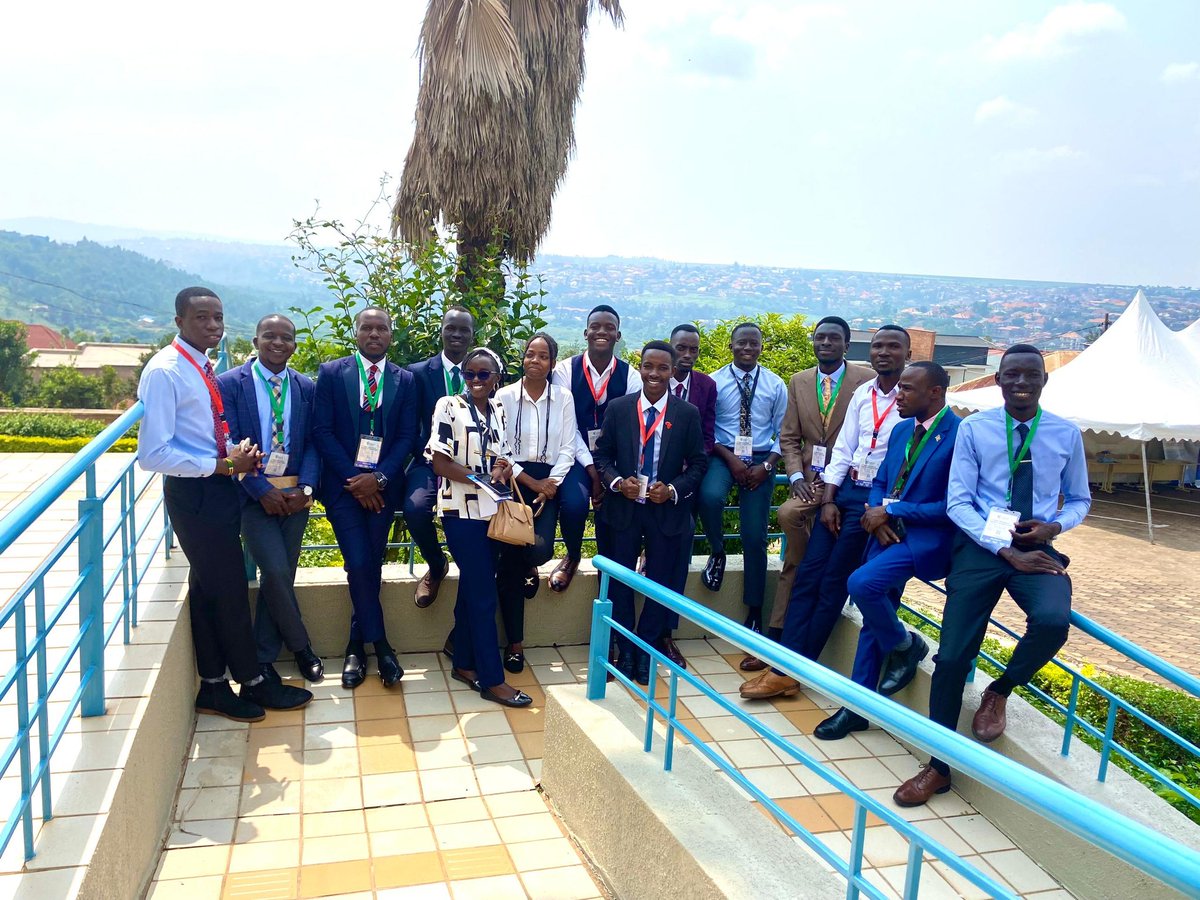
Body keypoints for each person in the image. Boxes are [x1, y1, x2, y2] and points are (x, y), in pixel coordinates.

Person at [893, 344, 1091, 807]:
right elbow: (959, 502)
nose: (1021, 383)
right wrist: (1003, 550)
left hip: (1035, 544)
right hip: (982, 545)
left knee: (1052, 622)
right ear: (999, 381)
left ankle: (999, 691)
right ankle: (938, 766)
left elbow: (1080, 499)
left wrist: (1054, 526)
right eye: (1012, 376)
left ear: (1044, 381)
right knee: (953, 657)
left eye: (1031, 376)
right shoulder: (975, 429)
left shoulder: (1065, 434)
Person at [138, 287, 311, 721]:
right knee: (231, 589)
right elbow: (152, 454)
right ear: (179, 320)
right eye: (202, 318)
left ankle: (213, 684)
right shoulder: (166, 371)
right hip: (196, 495)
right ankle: (254, 681)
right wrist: (221, 466)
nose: (213, 325)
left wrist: (235, 453)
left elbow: (203, 431)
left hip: (215, 489)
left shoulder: (201, 365)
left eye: (218, 318)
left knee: (207, 589)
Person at [741, 325, 911, 701]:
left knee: (833, 584)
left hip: (876, 502)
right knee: (808, 577)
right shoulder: (864, 393)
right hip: (843, 491)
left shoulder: (912, 399)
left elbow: (910, 464)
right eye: (879, 345)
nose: (884, 352)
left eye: (893, 347)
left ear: (908, 354)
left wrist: (882, 507)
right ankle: (783, 662)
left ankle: (793, 672)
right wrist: (830, 499)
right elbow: (847, 448)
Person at [811, 362, 960, 740]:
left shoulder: (960, 435)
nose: (899, 396)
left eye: (908, 389)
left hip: (923, 537)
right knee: (874, 619)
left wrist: (891, 511)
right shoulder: (900, 430)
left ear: (936, 394)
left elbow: (953, 505)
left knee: (861, 585)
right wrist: (877, 514)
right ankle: (858, 707)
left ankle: (906, 645)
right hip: (884, 532)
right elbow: (880, 480)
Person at [311, 307, 418, 690]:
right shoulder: (330, 373)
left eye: (382, 328)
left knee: (369, 566)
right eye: (367, 328)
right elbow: (321, 431)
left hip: (383, 489)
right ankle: (383, 646)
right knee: (358, 562)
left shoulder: (404, 380)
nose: (374, 334)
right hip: (343, 488)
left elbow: (407, 436)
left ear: (391, 334)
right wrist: (355, 478)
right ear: (356, 333)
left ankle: (355, 647)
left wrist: (380, 478)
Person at [217, 314, 324, 685]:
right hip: (252, 498)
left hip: (295, 498)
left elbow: (313, 443)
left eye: (286, 338)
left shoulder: (305, 386)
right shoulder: (230, 383)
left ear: (295, 344)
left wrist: (306, 489)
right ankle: (302, 647)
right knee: (276, 571)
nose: (278, 343)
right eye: (270, 336)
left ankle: (263, 658)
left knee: (280, 577)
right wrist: (261, 491)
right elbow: (228, 444)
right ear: (256, 339)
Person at [593, 341, 708, 684]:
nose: (654, 374)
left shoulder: (686, 414)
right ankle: (625, 646)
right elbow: (602, 456)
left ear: (673, 372)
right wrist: (616, 483)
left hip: (664, 512)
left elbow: (699, 463)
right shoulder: (619, 407)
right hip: (624, 509)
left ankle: (645, 649)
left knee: (661, 582)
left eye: (662, 368)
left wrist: (672, 490)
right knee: (621, 582)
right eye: (648, 367)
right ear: (639, 368)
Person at [427, 347, 533, 707]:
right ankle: (492, 680)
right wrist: (478, 479)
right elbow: (439, 462)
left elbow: (502, 452)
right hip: (459, 511)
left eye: (483, 375)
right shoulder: (448, 405)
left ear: (496, 378)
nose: (474, 380)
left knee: (472, 588)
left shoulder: (499, 408)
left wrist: (501, 469)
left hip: (492, 511)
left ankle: (463, 663)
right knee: (485, 594)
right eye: (469, 374)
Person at [494, 333, 578, 673]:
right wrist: (531, 483)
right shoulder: (504, 396)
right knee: (510, 560)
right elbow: (498, 448)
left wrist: (550, 485)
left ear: (553, 363)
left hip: (550, 481)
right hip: (512, 480)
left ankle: (530, 566)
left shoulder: (563, 398)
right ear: (522, 359)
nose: (535, 361)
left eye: (543, 356)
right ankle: (515, 643)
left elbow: (569, 447)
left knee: (540, 550)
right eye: (530, 354)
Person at [697, 322, 787, 631]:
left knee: (754, 536)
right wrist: (731, 459)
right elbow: (707, 431)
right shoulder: (714, 382)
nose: (747, 348)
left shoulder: (776, 385)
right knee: (709, 497)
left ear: (762, 347)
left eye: (754, 343)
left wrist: (768, 466)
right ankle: (718, 551)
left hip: (761, 459)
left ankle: (754, 611)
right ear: (731, 346)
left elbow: (784, 433)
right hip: (723, 454)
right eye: (741, 343)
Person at [548, 304, 642, 592]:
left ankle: (619, 563)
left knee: (618, 509)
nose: (602, 331)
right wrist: (591, 469)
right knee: (575, 505)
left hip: (614, 458)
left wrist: (605, 471)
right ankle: (574, 555)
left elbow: (630, 429)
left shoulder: (631, 376)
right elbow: (567, 427)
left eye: (609, 327)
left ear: (618, 335)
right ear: (585, 333)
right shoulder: (565, 370)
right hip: (575, 453)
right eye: (596, 326)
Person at [404, 306, 476, 608]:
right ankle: (436, 565)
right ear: (441, 330)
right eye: (451, 328)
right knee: (416, 509)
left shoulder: (482, 371)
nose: (457, 334)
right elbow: (409, 424)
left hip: (473, 465)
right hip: (429, 461)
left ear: (473, 336)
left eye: (464, 330)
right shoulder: (417, 373)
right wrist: (433, 450)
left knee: (477, 525)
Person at [660, 323, 718, 668]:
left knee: (677, 559)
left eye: (693, 350)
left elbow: (707, 437)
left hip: (684, 486)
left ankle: (667, 633)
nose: (686, 356)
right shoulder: (651, 379)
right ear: (670, 349)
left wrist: (684, 473)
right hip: (646, 485)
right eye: (680, 348)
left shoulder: (706, 386)